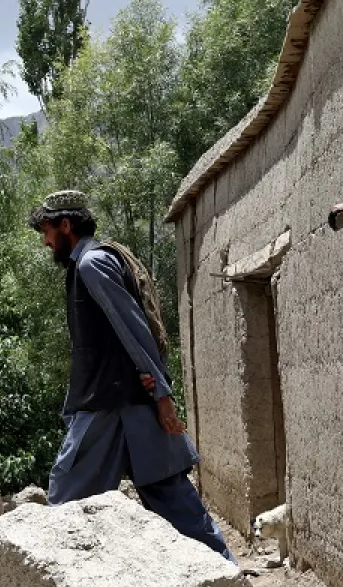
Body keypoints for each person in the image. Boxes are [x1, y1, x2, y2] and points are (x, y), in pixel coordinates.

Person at [29, 189, 234, 561]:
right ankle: (224, 572)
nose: (45, 241)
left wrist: (163, 396)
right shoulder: (89, 263)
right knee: (168, 492)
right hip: (124, 401)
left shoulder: (92, 264)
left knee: (68, 494)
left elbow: (133, 328)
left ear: (65, 225)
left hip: (109, 405)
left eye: (46, 230)